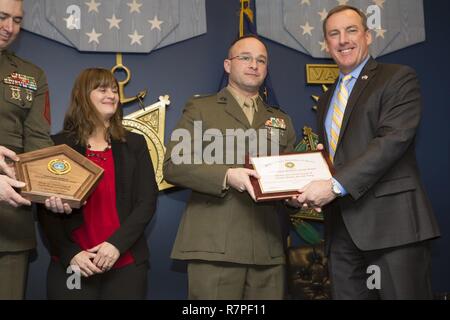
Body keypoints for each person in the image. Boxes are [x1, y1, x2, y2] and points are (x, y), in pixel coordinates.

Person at [290, 5, 440, 299]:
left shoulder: (397, 77)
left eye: (351, 30)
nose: (343, 39)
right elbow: (339, 155)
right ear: (326, 43)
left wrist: (332, 185)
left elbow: (392, 140)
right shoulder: (327, 98)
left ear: (368, 36)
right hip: (341, 228)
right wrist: (311, 180)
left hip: (392, 226)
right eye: (334, 33)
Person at [163, 35, 297, 299]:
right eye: (245, 58)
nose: (254, 65)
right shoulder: (201, 108)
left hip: (267, 247)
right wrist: (227, 175)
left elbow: (288, 175)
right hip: (213, 245)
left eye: (261, 60)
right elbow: (174, 164)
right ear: (227, 65)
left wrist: (295, 196)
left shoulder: (280, 120)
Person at [37, 68, 158, 299]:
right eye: (102, 89)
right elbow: (45, 210)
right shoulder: (58, 145)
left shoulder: (135, 143)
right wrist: (71, 254)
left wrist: (115, 246)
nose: (111, 95)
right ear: (83, 95)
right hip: (72, 264)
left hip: (125, 262)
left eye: (114, 90)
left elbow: (147, 202)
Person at [0, 0, 53, 299]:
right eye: (2, 17)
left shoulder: (31, 76)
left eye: (17, 20)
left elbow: (38, 142)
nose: (10, 28)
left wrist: (53, 187)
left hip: (9, 222)